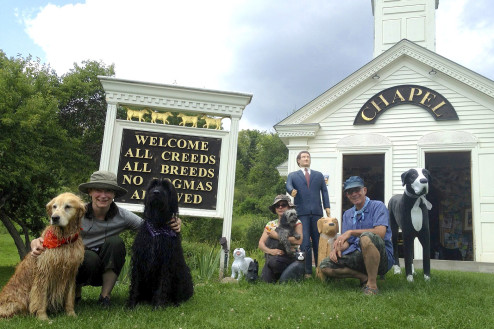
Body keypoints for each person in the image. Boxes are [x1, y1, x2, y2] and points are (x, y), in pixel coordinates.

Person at [31, 170, 181, 307]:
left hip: (103, 267)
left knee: (116, 243)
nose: (103, 195)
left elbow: (149, 227)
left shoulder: (123, 216)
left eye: (108, 191)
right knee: (87, 256)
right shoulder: (75, 212)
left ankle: (105, 297)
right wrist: (36, 241)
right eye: (98, 190)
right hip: (79, 263)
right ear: (90, 192)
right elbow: (52, 232)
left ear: (114, 194)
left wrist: (173, 222)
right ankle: (74, 294)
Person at [319, 176, 394, 295]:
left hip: (381, 257)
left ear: (364, 190)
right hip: (358, 254)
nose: (354, 194)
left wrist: (351, 232)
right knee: (324, 266)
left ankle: (372, 286)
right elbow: (348, 241)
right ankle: (363, 277)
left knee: (366, 237)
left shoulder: (378, 206)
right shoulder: (347, 214)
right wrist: (337, 248)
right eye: (350, 192)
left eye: (357, 190)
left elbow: (380, 233)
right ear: (347, 195)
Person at [286, 151, 330, 278]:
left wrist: (327, 206)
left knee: (318, 241)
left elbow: (324, 191)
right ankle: (307, 271)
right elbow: (288, 185)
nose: (306, 159)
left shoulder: (318, 175)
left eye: (308, 157)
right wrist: (291, 191)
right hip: (302, 213)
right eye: (303, 157)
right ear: (298, 161)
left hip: (317, 212)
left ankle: (320, 269)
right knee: (304, 241)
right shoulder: (293, 175)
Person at [258, 195, 303, 283]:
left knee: (274, 262)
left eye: (284, 205)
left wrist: (276, 236)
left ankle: (285, 275)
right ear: (275, 208)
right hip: (273, 256)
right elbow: (261, 244)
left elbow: (299, 240)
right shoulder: (270, 224)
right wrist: (271, 251)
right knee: (265, 281)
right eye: (277, 205)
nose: (280, 207)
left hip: (290, 255)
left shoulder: (297, 222)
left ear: (289, 207)